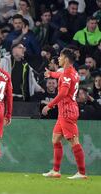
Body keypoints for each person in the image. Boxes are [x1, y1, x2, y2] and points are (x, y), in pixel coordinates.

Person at [42, 48, 87, 179]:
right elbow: (60, 75)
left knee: (74, 142)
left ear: (66, 59)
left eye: (61, 57)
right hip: (65, 111)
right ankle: (56, 171)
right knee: (55, 140)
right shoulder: (72, 72)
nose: (59, 59)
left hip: (67, 111)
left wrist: (49, 106)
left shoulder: (67, 74)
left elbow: (63, 93)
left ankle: (82, 173)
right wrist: (50, 73)